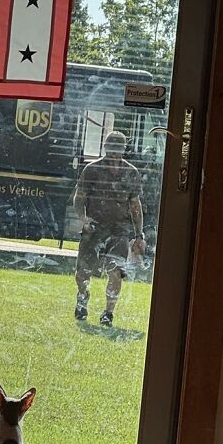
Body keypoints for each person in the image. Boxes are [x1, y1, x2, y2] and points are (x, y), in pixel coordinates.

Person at [72, 130, 146, 326]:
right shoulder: (92, 169)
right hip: (94, 229)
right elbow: (79, 197)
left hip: (119, 230)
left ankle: (108, 313)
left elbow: (135, 205)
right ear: (105, 147)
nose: (115, 152)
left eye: (118, 148)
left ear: (123, 149)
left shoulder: (131, 172)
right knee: (84, 271)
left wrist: (139, 235)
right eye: (111, 148)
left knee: (116, 271)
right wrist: (83, 218)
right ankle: (82, 301)